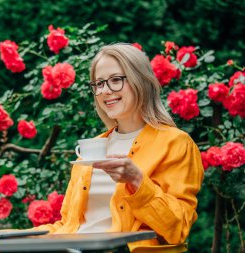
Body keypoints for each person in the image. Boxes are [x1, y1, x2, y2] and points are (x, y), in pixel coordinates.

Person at [32, 43, 204, 249]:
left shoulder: (175, 143)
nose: (105, 91)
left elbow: (178, 228)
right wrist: (10, 239)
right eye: (99, 83)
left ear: (141, 81)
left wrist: (137, 180)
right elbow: (68, 225)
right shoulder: (91, 148)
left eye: (115, 80)